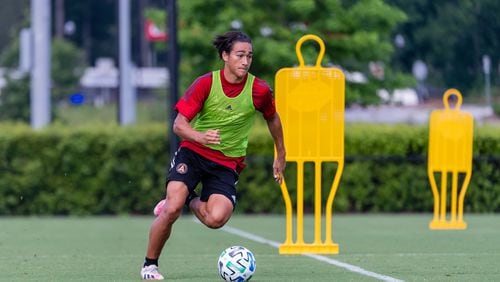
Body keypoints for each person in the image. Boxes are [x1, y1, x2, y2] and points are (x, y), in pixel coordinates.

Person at [140, 31, 286, 280]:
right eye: (240, 55)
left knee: (216, 219)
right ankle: (150, 265)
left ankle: (189, 198)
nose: (245, 61)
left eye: (249, 56)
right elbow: (179, 125)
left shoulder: (259, 90)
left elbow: (272, 117)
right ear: (225, 56)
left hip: (227, 163)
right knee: (171, 209)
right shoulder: (206, 84)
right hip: (193, 153)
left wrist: (281, 152)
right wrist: (199, 136)